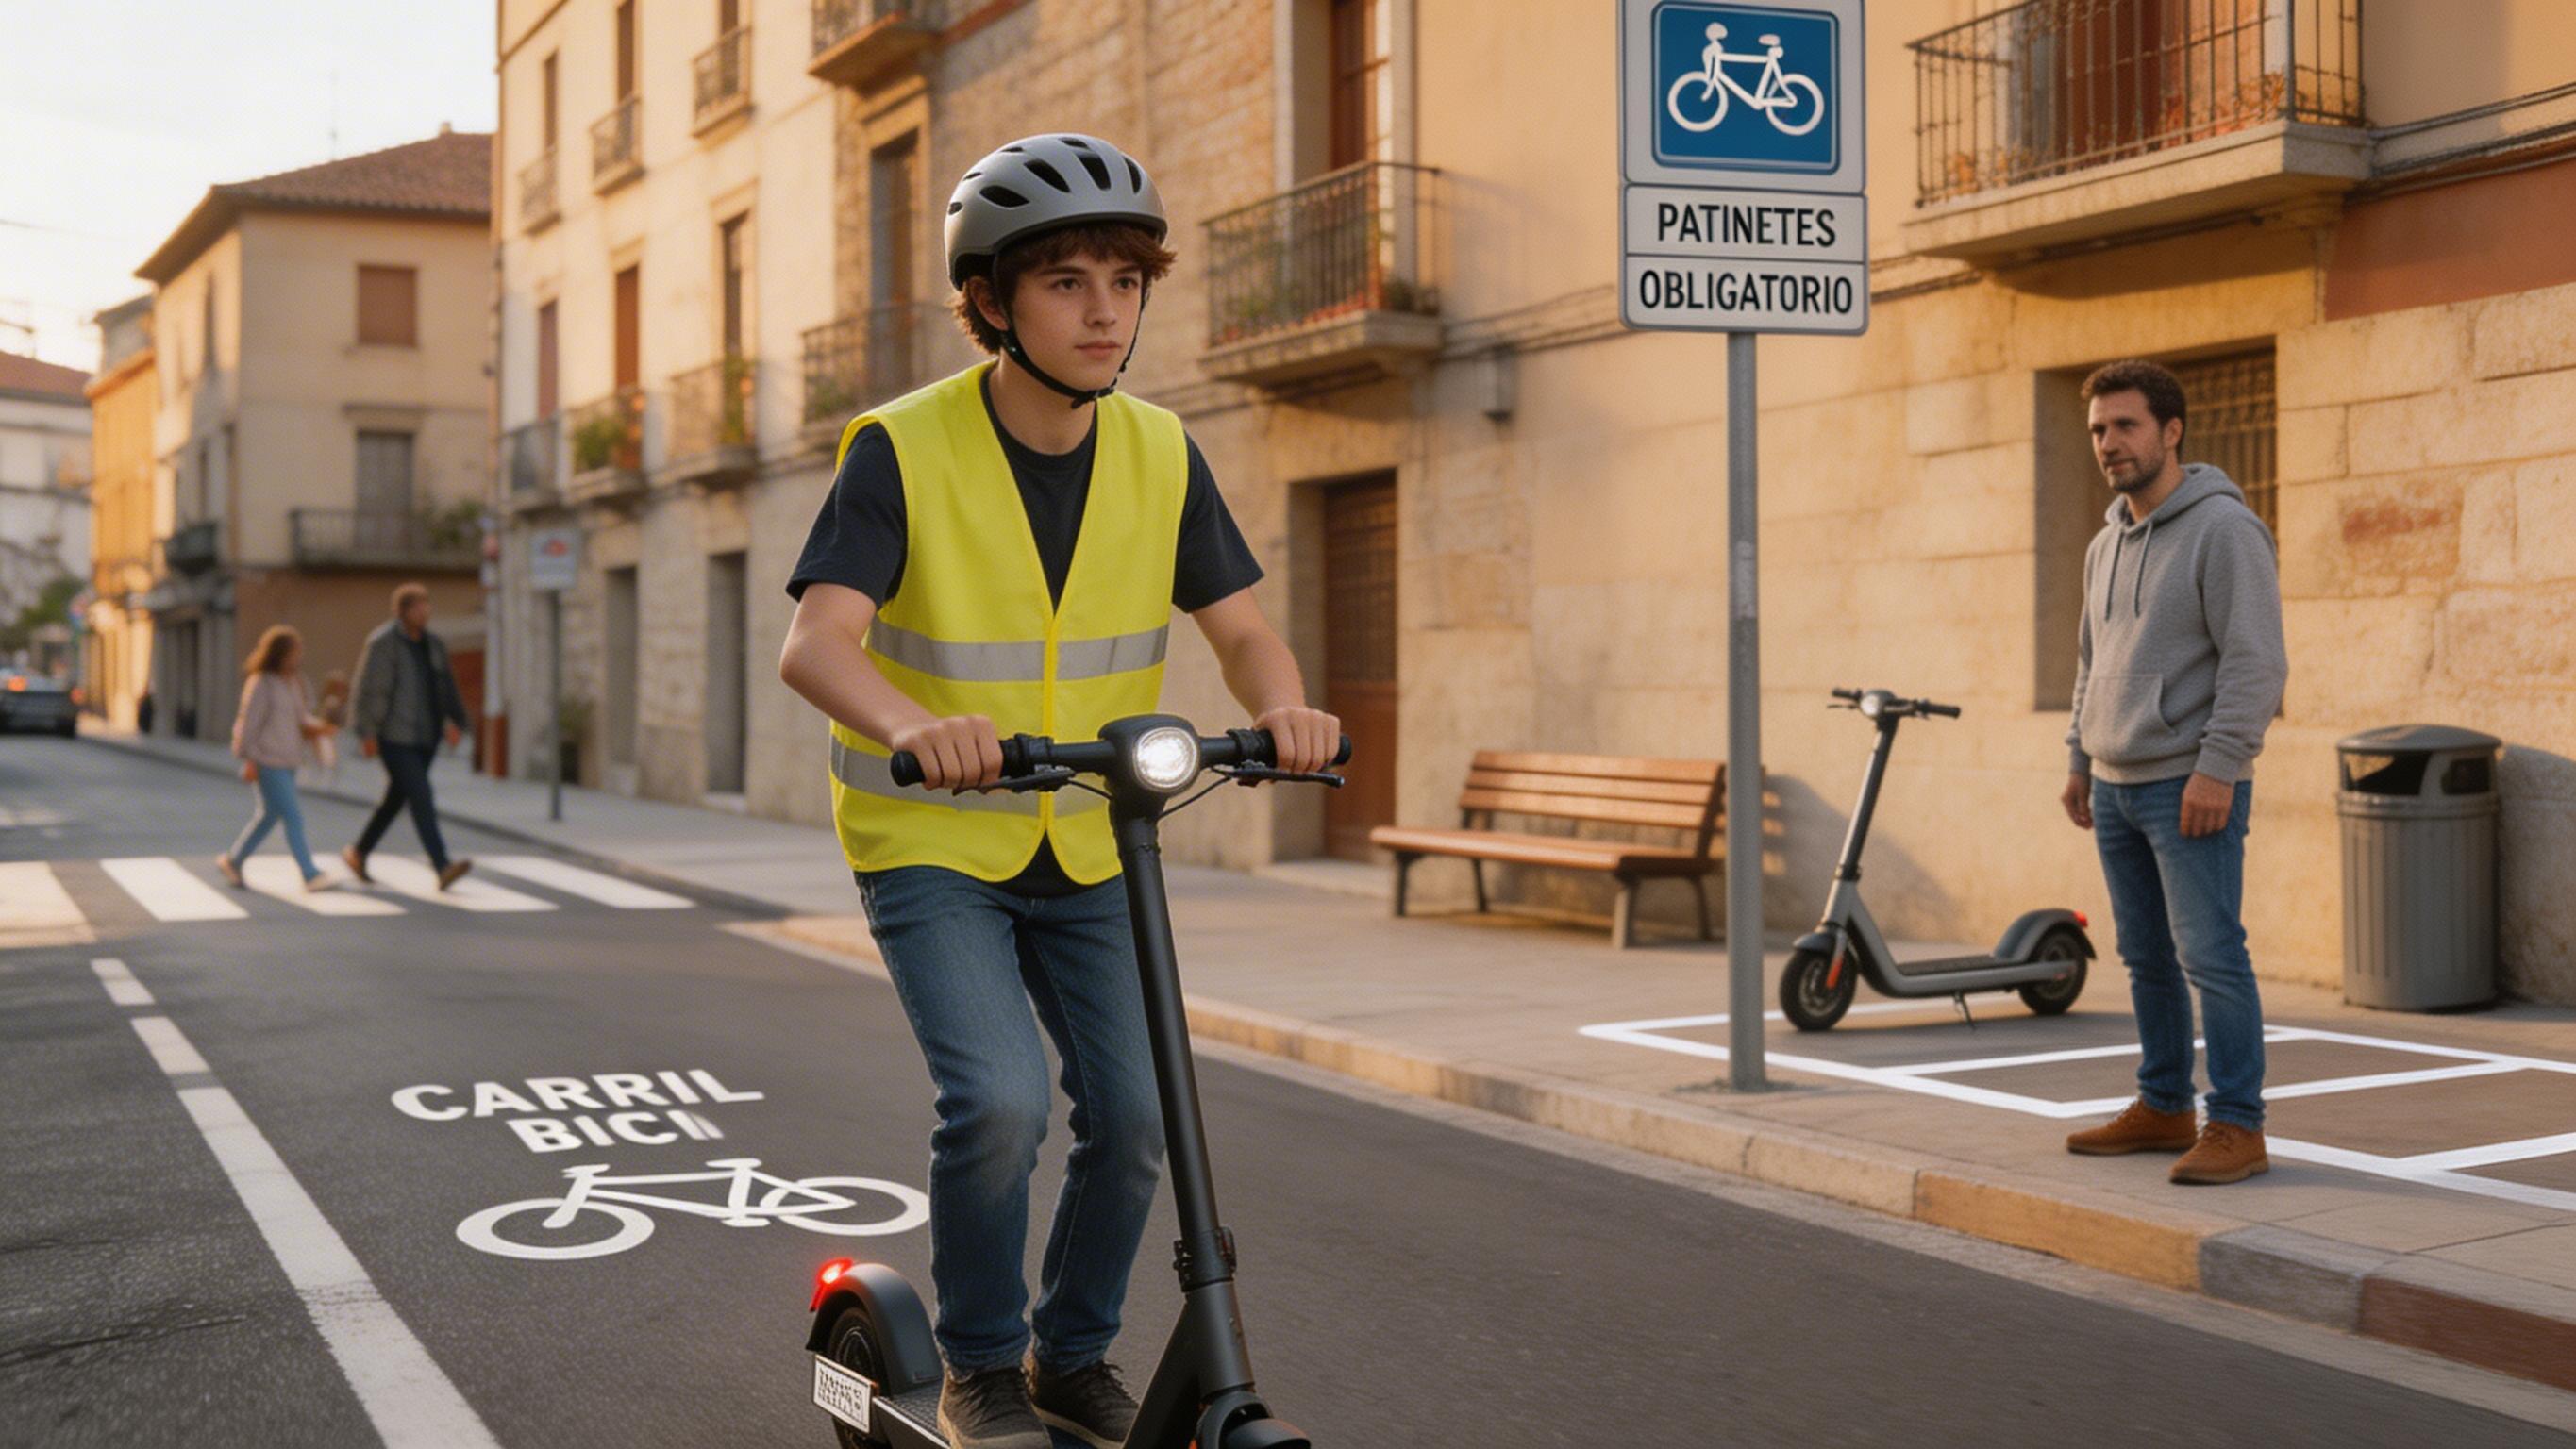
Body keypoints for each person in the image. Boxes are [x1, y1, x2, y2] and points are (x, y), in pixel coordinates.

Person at [778, 133, 1339, 1449]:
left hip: (1093, 838)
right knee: (999, 1102)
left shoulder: (1159, 450)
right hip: (933, 838)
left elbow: (1243, 629)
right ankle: (980, 1362)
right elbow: (817, 643)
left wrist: (1282, 707)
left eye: (1124, 281)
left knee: (1140, 1116)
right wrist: (924, 730)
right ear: (990, 301)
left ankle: (1067, 1351)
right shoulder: (898, 449)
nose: (1103, 311)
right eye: (1065, 282)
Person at [2058, 359, 2288, 1187]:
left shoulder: (2223, 529)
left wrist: (2219, 769)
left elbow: (2257, 663)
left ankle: (2237, 1124)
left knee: (2212, 956)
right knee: (2146, 957)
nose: (2108, 443)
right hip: (2116, 783)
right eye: (2097, 429)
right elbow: (2090, 660)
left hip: (2188, 783)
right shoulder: (2102, 541)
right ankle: (2163, 1105)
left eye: (2125, 426)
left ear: (2171, 431)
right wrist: (2080, 758)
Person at [346, 582, 474, 890]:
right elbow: (369, 690)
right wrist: (367, 732)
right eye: (418, 606)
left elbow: (446, 686)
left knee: (395, 799)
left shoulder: (433, 644)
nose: (425, 611)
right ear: (402, 612)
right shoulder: (383, 643)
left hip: (427, 737)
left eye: (427, 605)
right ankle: (442, 865)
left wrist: (457, 721)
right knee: (421, 795)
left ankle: (358, 852)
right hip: (394, 736)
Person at [216, 625, 337, 891]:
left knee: (268, 816)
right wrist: (247, 758)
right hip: (267, 760)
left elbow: (300, 717)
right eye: (294, 652)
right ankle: (309, 873)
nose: (298, 657)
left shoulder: (294, 681)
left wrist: (320, 727)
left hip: (290, 759)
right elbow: (248, 724)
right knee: (293, 816)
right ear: (279, 653)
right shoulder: (261, 682)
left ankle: (234, 861)